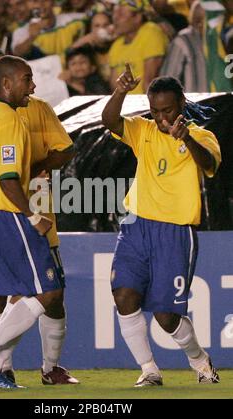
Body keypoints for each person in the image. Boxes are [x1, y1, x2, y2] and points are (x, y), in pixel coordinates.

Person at [0, 55, 77, 389]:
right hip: (6, 213)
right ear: (6, 83)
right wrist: (33, 215)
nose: (34, 86)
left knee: (30, 290)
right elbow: (8, 179)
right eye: (27, 79)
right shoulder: (8, 118)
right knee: (49, 290)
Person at [102, 67, 221, 386]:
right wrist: (121, 92)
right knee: (124, 296)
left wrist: (186, 139)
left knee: (166, 316)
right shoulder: (143, 129)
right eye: (154, 111)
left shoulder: (201, 135)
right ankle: (149, 370)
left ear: (181, 103)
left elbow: (209, 165)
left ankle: (199, 361)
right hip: (136, 226)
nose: (160, 117)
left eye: (166, 110)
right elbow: (110, 121)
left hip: (175, 231)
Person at [160, 1, 208, 92]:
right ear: (199, 22)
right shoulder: (183, 41)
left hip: (222, 103)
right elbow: (167, 81)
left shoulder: (225, 39)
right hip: (194, 103)